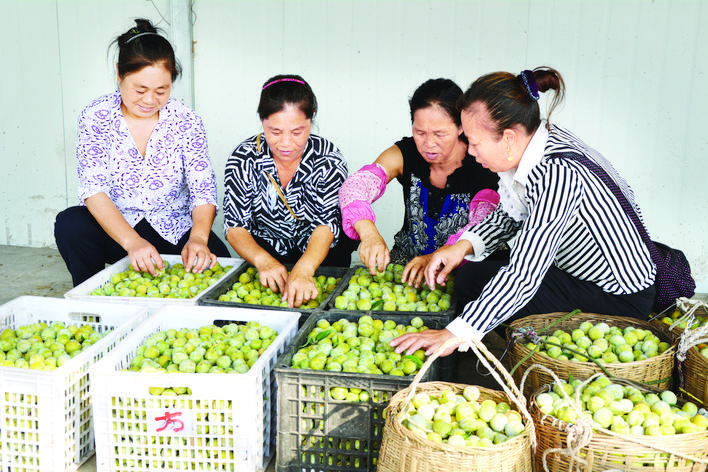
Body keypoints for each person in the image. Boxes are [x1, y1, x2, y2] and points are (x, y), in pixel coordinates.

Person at [391, 67, 656, 358]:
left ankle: (497, 361)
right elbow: (510, 215)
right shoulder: (541, 144)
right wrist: (461, 247)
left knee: (481, 285)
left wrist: (455, 332)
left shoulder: (557, 173)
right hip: (580, 276)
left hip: (616, 297)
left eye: (475, 142)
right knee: (471, 276)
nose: (470, 151)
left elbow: (525, 274)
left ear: (507, 137)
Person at [54, 18, 230, 287]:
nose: (150, 100)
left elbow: (202, 188)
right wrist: (132, 242)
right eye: (140, 89)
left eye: (162, 90)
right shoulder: (96, 117)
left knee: (219, 265)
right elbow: (94, 190)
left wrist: (198, 239)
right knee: (71, 225)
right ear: (119, 74)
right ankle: (91, 298)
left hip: (172, 228)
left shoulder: (186, 120)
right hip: (117, 231)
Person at [339, 78, 499, 284]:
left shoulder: (482, 163)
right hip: (410, 261)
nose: (429, 143)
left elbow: (483, 226)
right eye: (420, 132)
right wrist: (368, 233)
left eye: (440, 134)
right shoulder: (405, 154)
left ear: (461, 127)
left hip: (468, 265)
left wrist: (437, 257)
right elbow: (355, 187)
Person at [223, 74, 351, 308]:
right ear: (262, 121)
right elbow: (235, 226)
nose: (285, 143)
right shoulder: (244, 157)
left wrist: (305, 269)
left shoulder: (327, 158)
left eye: (297, 132)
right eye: (275, 131)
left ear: (310, 121)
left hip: (320, 255)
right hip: (264, 252)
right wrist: (263, 261)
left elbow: (326, 223)